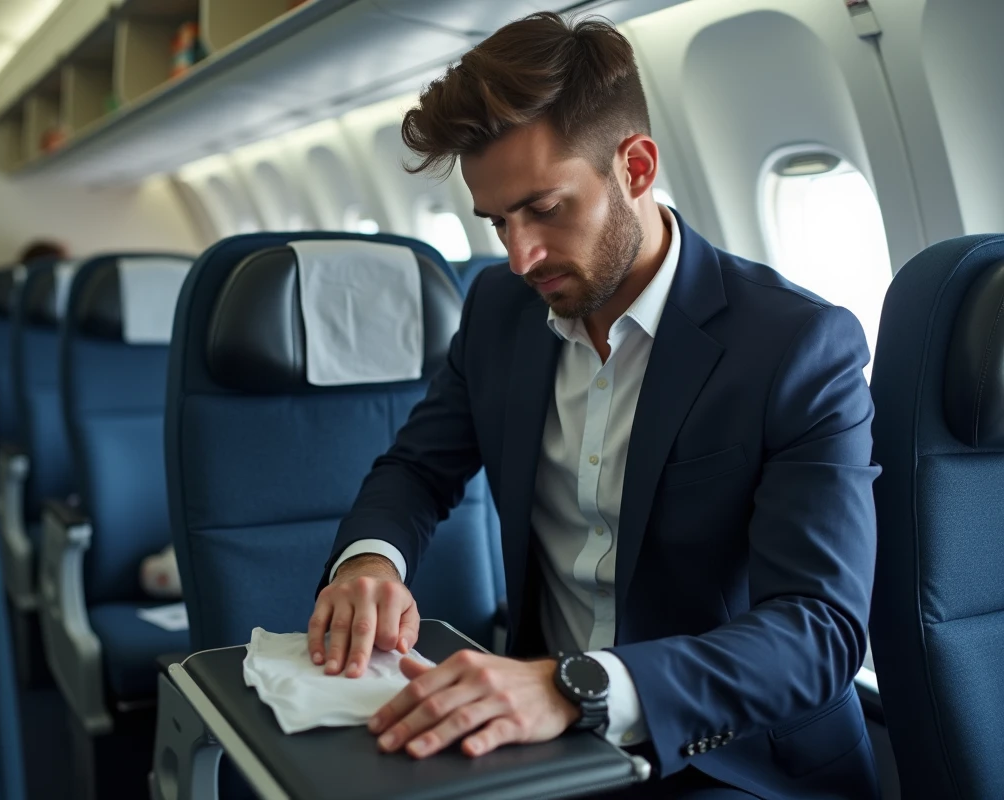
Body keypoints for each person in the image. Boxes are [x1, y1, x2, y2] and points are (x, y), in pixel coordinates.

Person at [308, 12, 879, 800]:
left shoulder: (798, 346)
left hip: (734, 760)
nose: (519, 256)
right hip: (546, 749)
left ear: (636, 168)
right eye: (497, 221)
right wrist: (371, 559)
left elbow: (817, 632)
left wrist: (577, 686)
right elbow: (417, 468)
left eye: (543, 208)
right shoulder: (499, 314)